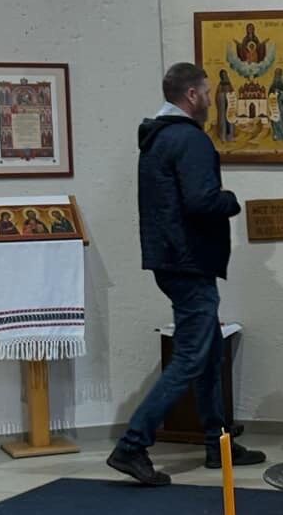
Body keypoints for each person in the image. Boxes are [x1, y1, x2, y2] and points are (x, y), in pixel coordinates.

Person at [108, 63, 264, 486]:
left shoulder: (157, 138)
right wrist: (230, 200)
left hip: (171, 258)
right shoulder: (188, 139)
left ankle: (218, 442)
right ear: (191, 95)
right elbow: (201, 201)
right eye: (207, 93)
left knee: (210, 353)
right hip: (189, 261)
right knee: (192, 356)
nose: (211, 100)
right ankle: (132, 444)